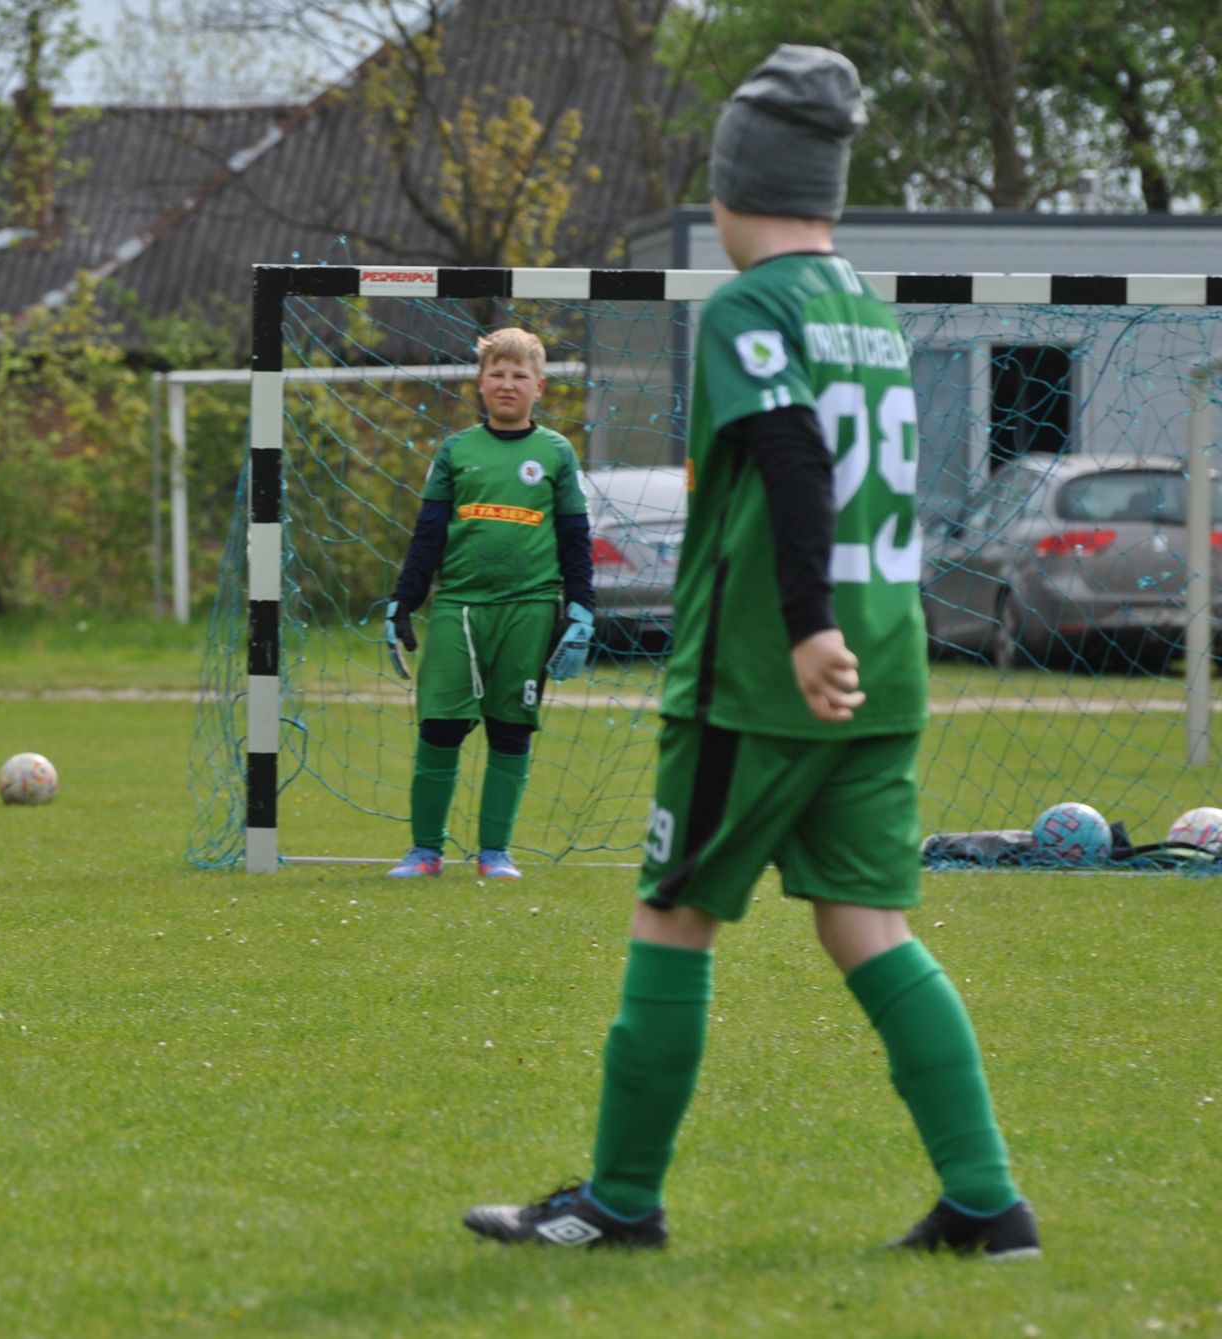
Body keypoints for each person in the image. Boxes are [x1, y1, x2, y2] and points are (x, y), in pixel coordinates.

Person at [461, 46, 1038, 1257]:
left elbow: (789, 460)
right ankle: (986, 1204)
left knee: (672, 916)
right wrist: (837, 629)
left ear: (734, 187)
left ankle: (619, 1202)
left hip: (763, 677)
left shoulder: (749, 307)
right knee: (864, 925)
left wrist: (802, 623)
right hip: (884, 668)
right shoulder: (868, 316)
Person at [383, 326, 595, 879]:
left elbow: (575, 539)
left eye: (519, 376)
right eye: (497, 374)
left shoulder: (556, 453)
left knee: (511, 728)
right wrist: (403, 601)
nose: (507, 384)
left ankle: (494, 854)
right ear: (480, 383)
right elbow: (428, 536)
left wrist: (582, 609)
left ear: (540, 387)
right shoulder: (456, 451)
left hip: (529, 608)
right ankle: (424, 853)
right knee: (440, 726)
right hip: (459, 607)